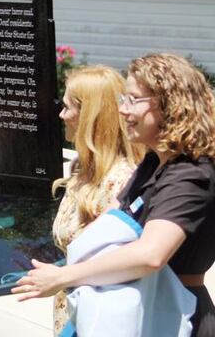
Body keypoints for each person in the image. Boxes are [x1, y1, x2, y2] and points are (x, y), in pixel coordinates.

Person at [15, 54, 215, 337]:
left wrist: (63, 276)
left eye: (133, 100)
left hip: (174, 320)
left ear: (170, 105)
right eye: (122, 99)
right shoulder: (153, 164)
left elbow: (150, 255)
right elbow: (103, 230)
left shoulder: (190, 175)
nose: (123, 111)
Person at [50, 66, 145, 334]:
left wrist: (58, 277)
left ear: (90, 117)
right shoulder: (80, 169)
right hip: (73, 316)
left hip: (104, 322)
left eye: (68, 108)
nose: (62, 115)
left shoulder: (123, 181)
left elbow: (127, 263)